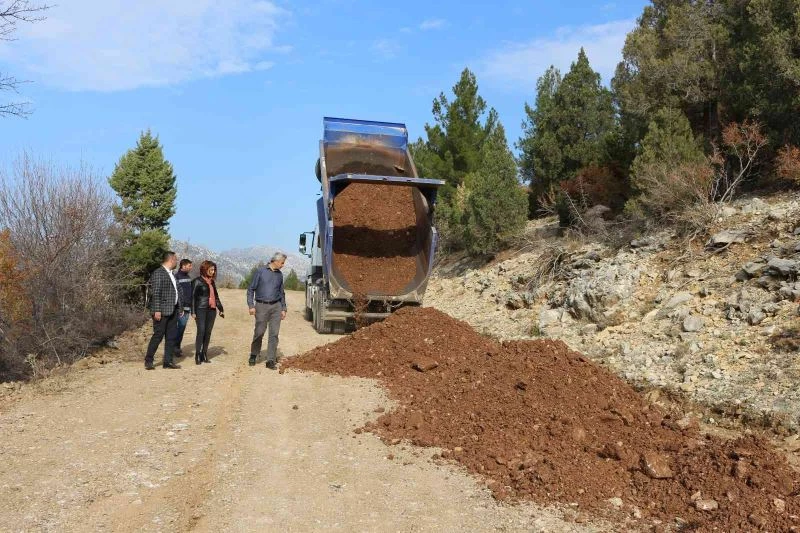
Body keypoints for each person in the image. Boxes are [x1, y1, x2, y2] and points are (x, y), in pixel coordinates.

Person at [247, 252, 287, 369]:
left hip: (276, 307)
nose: (283, 265)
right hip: (261, 306)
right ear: (275, 261)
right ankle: (254, 354)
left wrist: (283, 308)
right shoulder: (260, 271)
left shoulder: (280, 275)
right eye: (282, 263)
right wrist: (251, 305)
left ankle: (270, 360)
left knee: (274, 334)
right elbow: (251, 289)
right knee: (259, 332)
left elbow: (282, 293)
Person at [144, 251, 184, 370]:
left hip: (173, 310)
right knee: (158, 336)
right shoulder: (158, 273)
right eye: (176, 260)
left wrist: (180, 307)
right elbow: (156, 293)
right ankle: (149, 361)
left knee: (171, 337)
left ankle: (168, 362)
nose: (177, 262)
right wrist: (157, 310)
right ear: (171, 259)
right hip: (161, 311)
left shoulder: (172, 274)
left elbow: (177, 291)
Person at [191, 260, 225, 365]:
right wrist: (193, 311)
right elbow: (192, 297)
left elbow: (216, 297)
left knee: (208, 332)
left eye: (214, 270)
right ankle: (197, 354)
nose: (213, 272)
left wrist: (221, 309)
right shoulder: (196, 281)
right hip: (200, 309)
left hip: (212, 310)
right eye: (211, 270)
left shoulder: (212, 282)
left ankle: (204, 353)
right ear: (205, 269)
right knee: (201, 331)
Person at [174, 258, 193, 357]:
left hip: (187, 307)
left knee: (181, 328)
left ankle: (176, 346)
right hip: (179, 308)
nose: (191, 267)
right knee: (178, 328)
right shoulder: (176, 277)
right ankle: (175, 347)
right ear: (184, 266)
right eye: (189, 266)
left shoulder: (189, 277)